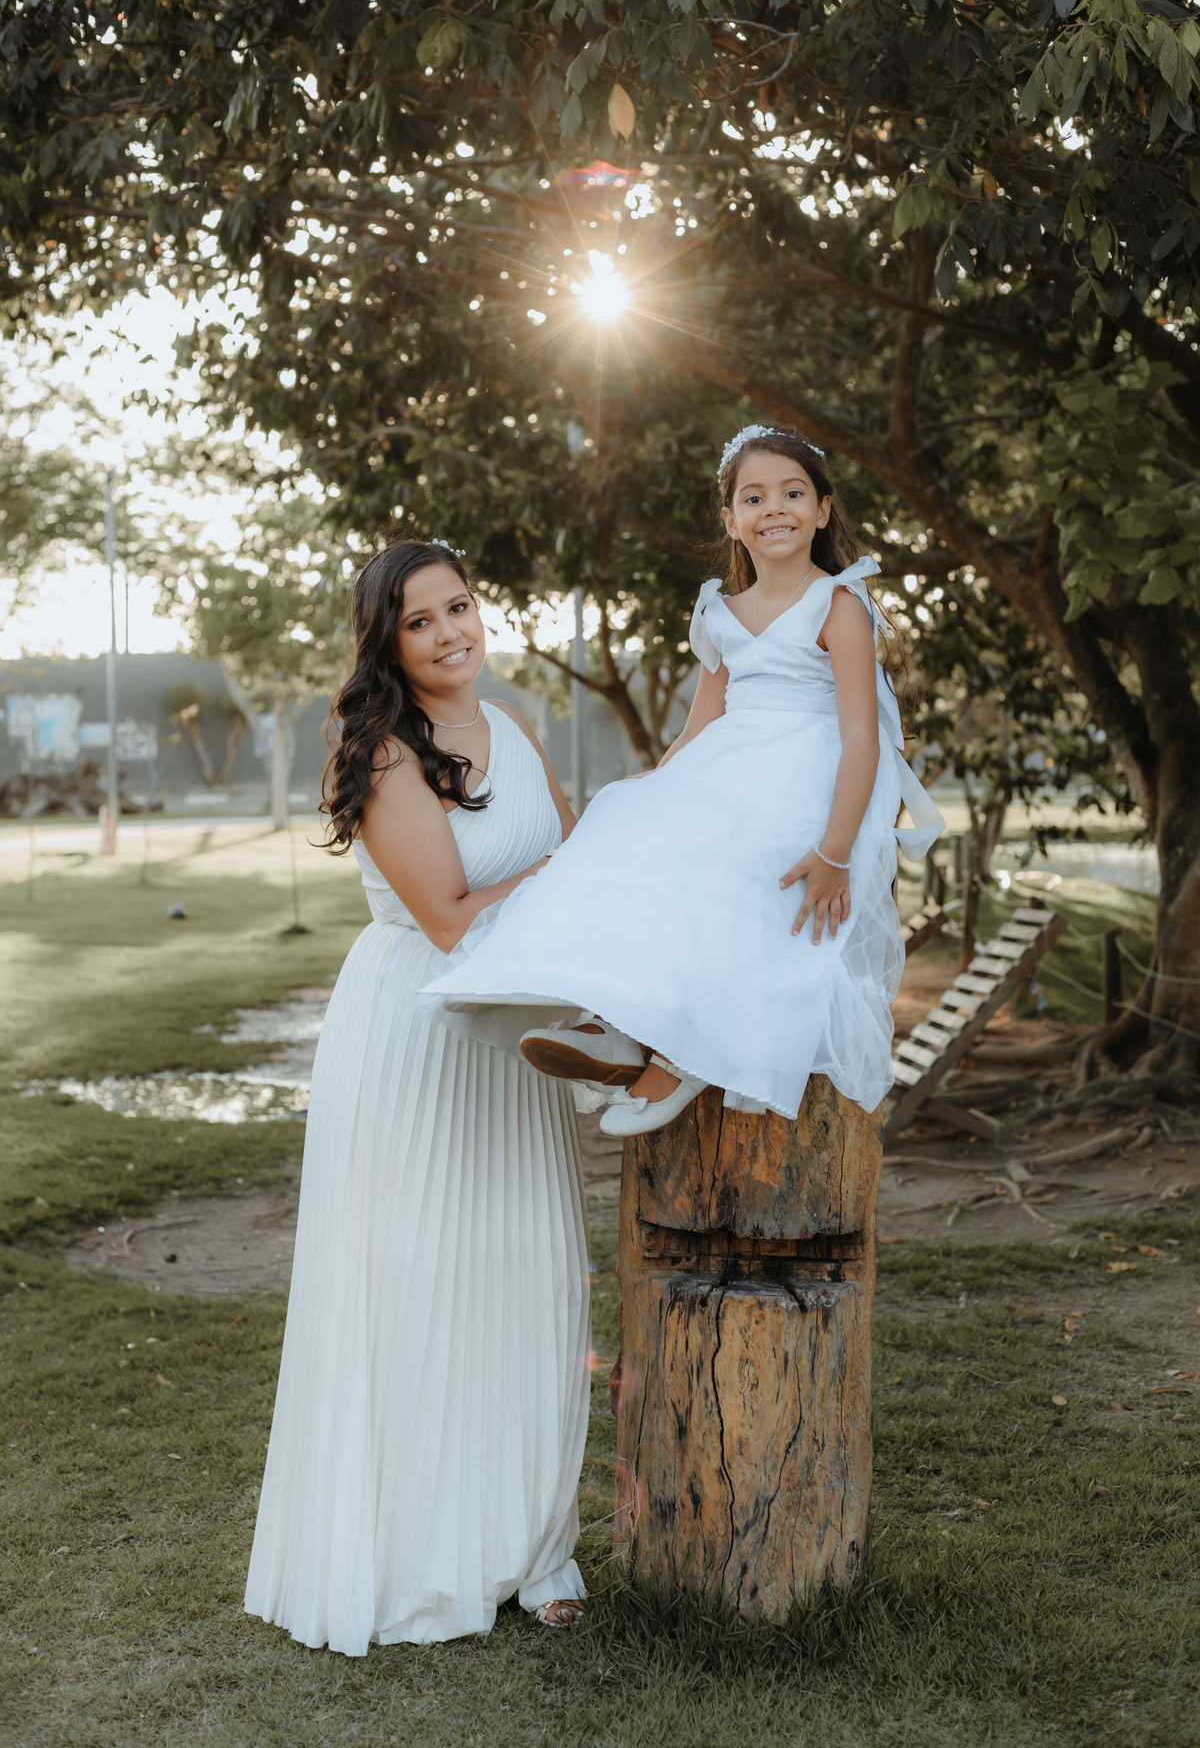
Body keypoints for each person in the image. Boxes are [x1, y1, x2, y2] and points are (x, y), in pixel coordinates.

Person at [245, 537, 592, 1655]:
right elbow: (451, 919)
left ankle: (534, 1546)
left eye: (460, 607)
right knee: (422, 1287)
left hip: (512, 1050)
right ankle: (418, 1554)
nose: (451, 633)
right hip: (421, 1039)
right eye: (421, 621)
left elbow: (580, 868)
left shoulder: (515, 729)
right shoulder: (388, 756)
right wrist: (583, 870)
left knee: (527, 1278)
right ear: (389, 645)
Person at [420, 425, 943, 1134]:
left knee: (741, 881)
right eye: (753, 498)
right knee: (628, 832)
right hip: (732, 761)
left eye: (793, 493)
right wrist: (652, 795)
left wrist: (836, 851)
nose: (774, 508)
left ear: (822, 509)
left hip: (811, 775)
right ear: (731, 520)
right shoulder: (722, 612)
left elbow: (861, 735)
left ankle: (684, 1055)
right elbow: (699, 728)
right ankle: (614, 1025)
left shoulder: (838, 603)